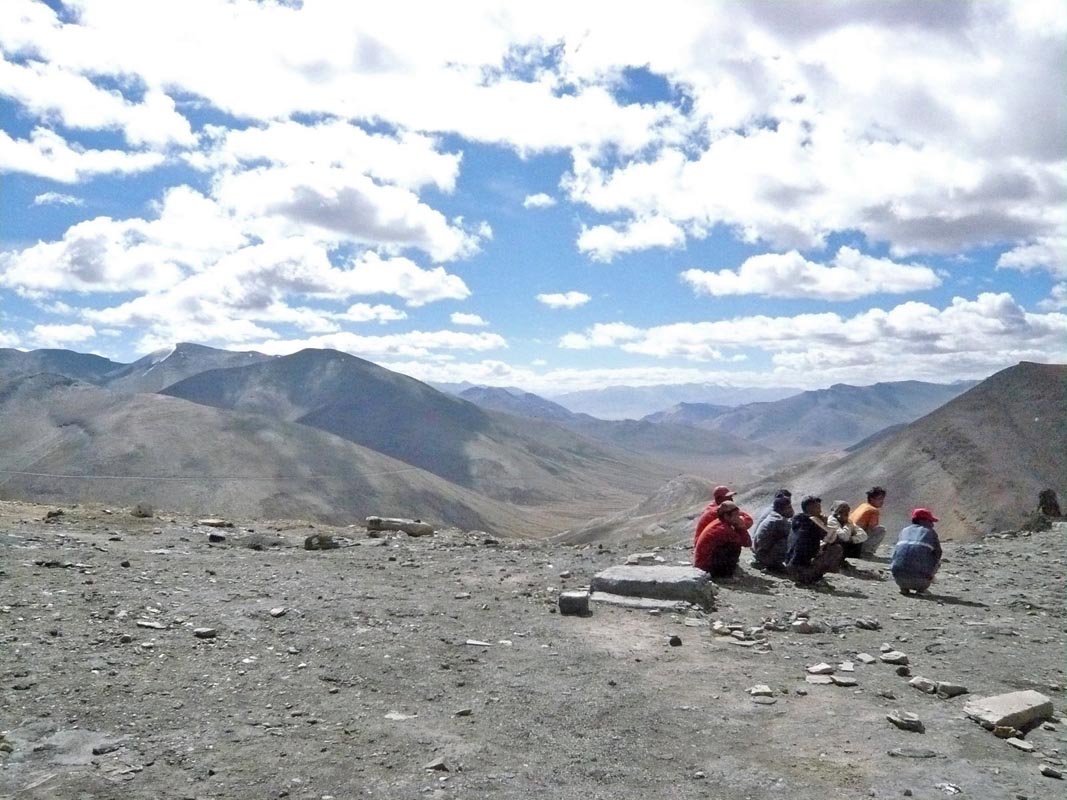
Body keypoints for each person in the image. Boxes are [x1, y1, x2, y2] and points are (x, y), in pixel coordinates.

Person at [786, 495, 843, 585]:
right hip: (801, 571)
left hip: (789, 566)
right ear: (809, 508)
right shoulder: (813, 521)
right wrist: (824, 523)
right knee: (836, 548)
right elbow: (834, 539)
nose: (820, 511)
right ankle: (814, 577)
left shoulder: (797, 519)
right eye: (817, 508)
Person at [694, 500, 753, 578]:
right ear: (726, 516)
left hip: (702, 564)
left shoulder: (720, 523)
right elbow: (747, 543)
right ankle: (723, 575)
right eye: (735, 515)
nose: (738, 517)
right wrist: (741, 527)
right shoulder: (724, 529)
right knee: (734, 547)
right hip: (705, 568)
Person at [891, 508, 943, 594]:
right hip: (920, 581)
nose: (932, 524)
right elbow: (938, 553)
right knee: (937, 560)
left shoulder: (904, 530)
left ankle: (904, 588)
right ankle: (921, 589)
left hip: (899, 579)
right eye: (930, 521)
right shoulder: (930, 532)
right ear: (923, 521)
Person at [751, 494, 793, 572]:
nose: (791, 510)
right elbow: (794, 532)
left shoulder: (774, 516)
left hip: (760, 553)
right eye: (789, 508)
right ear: (781, 509)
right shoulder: (778, 521)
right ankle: (774, 565)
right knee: (791, 539)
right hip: (764, 556)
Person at [826, 500, 868, 566]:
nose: (846, 514)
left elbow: (863, 535)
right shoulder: (832, 521)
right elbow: (843, 537)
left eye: (847, 511)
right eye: (842, 511)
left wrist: (852, 539)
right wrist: (847, 525)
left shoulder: (848, 521)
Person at [849, 486, 887, 557]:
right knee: (881, 530)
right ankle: (867, 551)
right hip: (856, 542)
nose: (882, 501)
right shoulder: (873, 511)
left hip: (850, 538)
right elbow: (872, 528)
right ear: (871, 499)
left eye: (882, 499)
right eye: (879, 499)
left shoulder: (863, 505)